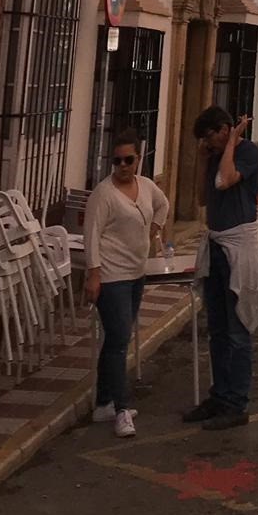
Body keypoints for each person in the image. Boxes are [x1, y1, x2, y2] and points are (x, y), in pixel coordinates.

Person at [183, 108, 258, 431]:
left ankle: (236, 402)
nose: (209, 143)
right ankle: (219, 395)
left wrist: (231, 142)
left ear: (224, 130)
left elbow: (225, 181)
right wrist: (204, 158)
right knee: (217, 329)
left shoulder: (246, 152)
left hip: (240, 248)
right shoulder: (216, 154)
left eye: (210, 136)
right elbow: (202, 198)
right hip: (217, 247)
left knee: (237, 330)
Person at [84, 128, 169, 439]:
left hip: (136, 274)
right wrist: (94, 274)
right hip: (111, 275)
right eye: (116, 160)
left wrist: (156, 229)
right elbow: (91, 234)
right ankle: (121, 408)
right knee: (119, 340)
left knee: (118, 338)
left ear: (138, 159)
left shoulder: (146, 187)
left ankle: (103, 402)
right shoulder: (103, 194)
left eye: (128, 160)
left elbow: (163, 205)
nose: (122, 166)